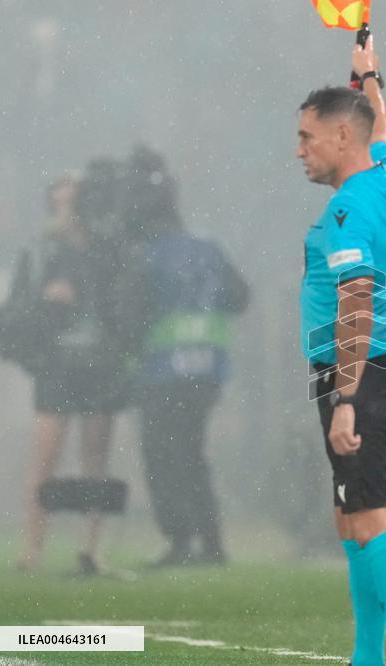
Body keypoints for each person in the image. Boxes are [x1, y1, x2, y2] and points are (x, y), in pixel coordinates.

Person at [296, 39, 386, 666]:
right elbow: (383, 127)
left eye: (307, 137)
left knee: (374, 519)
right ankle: (368, 655)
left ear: (343, 136)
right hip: (384, 370)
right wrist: (367, 71)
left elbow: (357, 305)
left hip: (360, 374)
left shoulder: (348, 210)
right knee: (351, 519)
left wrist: (346, 397)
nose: (300, 150)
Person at [115, 146, 250, 567]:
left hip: (162, 370)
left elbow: (129, 317)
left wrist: (126, 348)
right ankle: (211, 541)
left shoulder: (145, 254)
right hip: (207, 370)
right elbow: (239, 297)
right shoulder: (207, 248)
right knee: (192, 453)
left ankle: (179, 540)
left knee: (162, 456)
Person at [10, 173, 127, 575]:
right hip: (56, 363)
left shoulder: (106, 247)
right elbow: (19, 307)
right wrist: (45, 301)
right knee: (45, 456)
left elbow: (120, 300)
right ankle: (32, 546)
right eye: (58, 202)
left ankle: (90, 547)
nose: (67, 210)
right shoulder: (39, 251)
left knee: (95, 456)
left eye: (72, 201)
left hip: (100, 363)